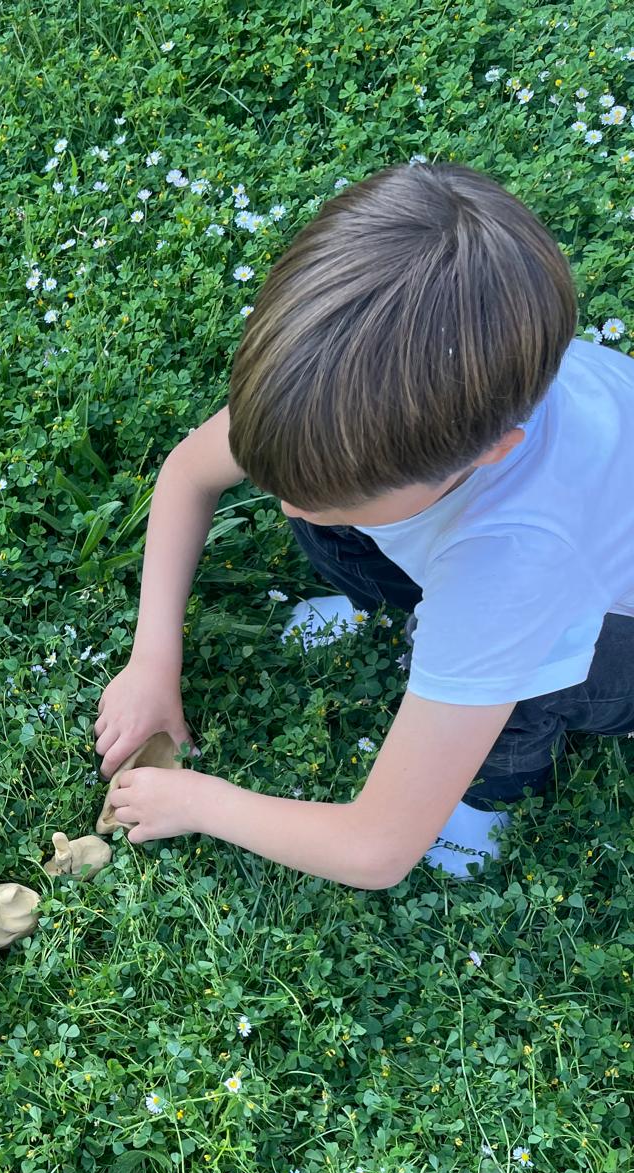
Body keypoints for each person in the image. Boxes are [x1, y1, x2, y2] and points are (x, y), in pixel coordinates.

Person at [94, 160, 634, 888]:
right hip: (524, 554)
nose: (287, 511)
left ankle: (487, 792)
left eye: (328, 496)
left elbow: (375, 850)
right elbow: (188, 473)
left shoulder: (513, 567)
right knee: (330, 516)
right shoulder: (367, 397)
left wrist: (199, 800)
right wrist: (153, 662)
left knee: (527, 690)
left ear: (490, 450)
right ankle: (397, 606)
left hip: (611, 633)